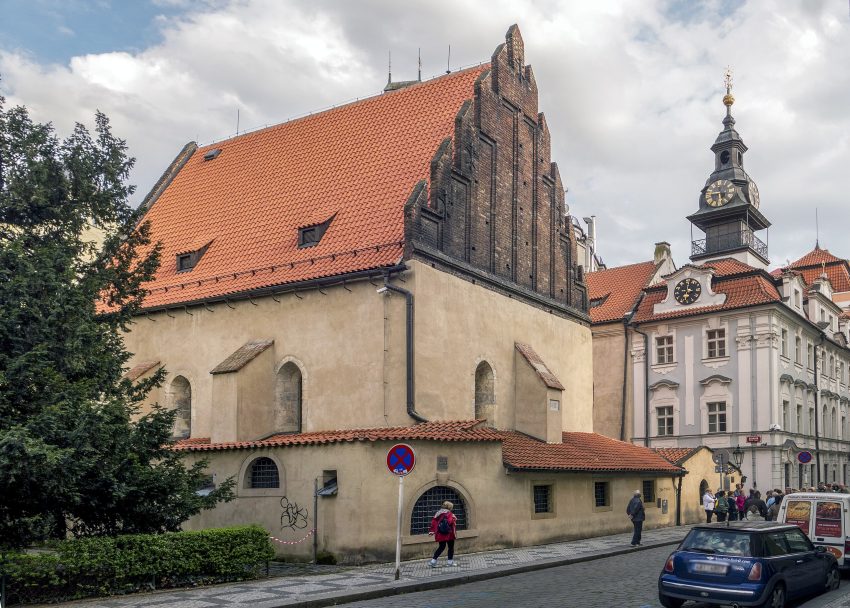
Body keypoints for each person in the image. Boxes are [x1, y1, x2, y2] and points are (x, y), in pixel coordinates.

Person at [428, 500, 458, 567]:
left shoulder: (438, 513)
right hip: (449, 533)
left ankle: (433, 561)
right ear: (449, 507)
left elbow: (434, 522)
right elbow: (450, 522)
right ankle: (450, 562)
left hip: (440, 533)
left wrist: (432, 531)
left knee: (441, 547)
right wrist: (454, 519)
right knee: (450, 547)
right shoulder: (449, 514)